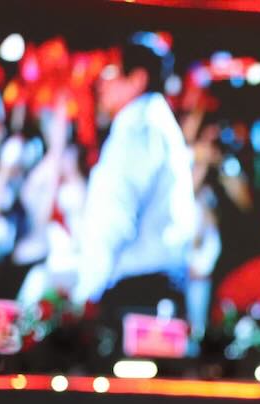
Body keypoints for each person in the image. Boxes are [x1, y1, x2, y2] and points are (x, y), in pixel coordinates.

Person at [72, 32, 197, 326]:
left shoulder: (138, 127)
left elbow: (115, 215)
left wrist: (86, 292)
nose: (101, 83)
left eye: (111, 73)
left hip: (137, 291)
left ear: (138, 79)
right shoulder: (154, 121)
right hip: (153, 286)